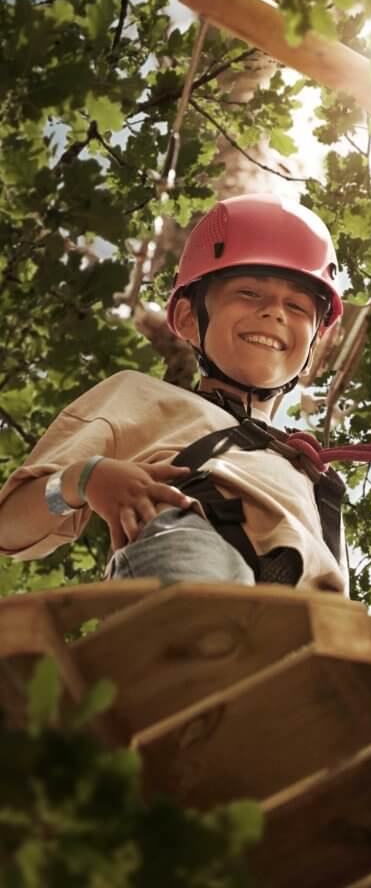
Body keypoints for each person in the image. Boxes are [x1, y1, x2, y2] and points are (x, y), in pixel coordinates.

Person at [0, 193, 348, 594]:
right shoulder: (138, 396)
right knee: (199, 604)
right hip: (188, 547)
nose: (275, 311)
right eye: (249, 292)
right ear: (188, 317)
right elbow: (8, 528)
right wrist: (82, 480)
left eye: (298, 306)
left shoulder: (310, 473)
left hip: (307, 608)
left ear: (313, 345)